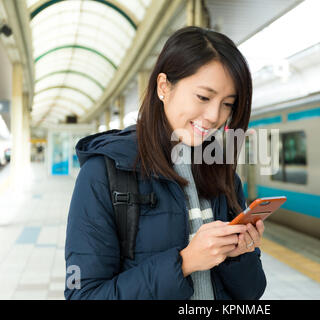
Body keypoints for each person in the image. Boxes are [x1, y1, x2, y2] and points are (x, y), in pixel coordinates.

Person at [64, 26, 266, 300]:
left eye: (228, 104)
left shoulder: (222, 173)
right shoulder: (103, 173)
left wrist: (238, 256)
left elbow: (252, 292)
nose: (214, 116)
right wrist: (185, 263)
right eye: (203, 97)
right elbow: (83, 295)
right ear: (163, 87)